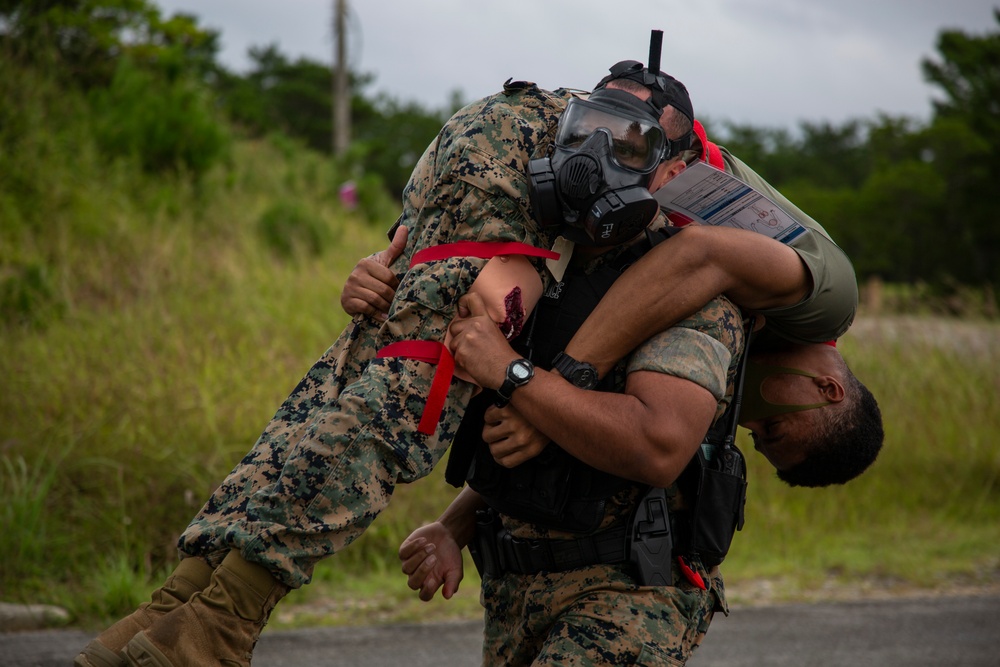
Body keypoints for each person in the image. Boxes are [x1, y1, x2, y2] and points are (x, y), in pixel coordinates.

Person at [75, 38, 705, 667]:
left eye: (628, 147)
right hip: (488, 169)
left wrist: (420, 286)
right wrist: (455, 303)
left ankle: (175, 609)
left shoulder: (690, 255)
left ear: (675, 172)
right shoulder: (538, 188)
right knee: (417, 370)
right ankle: (211, 621)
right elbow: (464, 286)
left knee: (364, 368)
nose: (595, 156)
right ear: (568, 120)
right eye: (589, 131)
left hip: (619, 570)